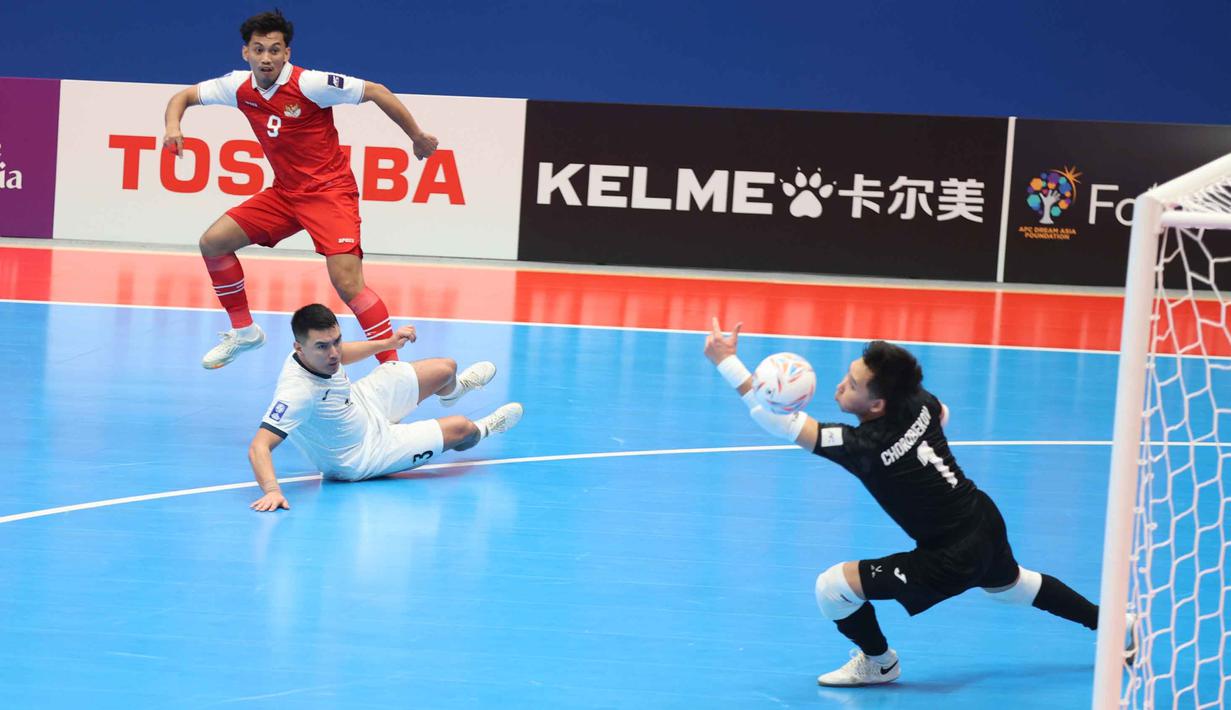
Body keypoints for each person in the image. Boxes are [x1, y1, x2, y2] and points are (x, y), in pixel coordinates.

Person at [704, 318, 1107, 687]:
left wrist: (728, 362)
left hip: (950, 556)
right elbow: (941, 416)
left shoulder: (864, 446)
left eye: (853, 385)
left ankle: (879, 662)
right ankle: (1109, 625)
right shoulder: (918, 400)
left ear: (878, 406)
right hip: (982, 520)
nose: (841, 386)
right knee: (1012, 587)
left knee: (832, 588)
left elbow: (775, 420)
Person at [162, 9, 440, 369]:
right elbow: (182, 97)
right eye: (259, 49)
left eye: (275, 50)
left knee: (348, 284)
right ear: (245, 52)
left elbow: (376, 91)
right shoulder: (238, 86)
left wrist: (417, 137)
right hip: (285, 194)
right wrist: (173, 127)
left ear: (287, 53)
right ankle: (245, 331)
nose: (267, 58)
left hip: (329, 193)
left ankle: (393, 369)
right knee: (213, 243)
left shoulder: (310, 84)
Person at [249, 304, 522, 512]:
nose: (333, 353)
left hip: (360, 403)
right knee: (462, 428)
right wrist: (272, 490)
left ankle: (453, 392)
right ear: (299, 347)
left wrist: (388, 343)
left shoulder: (319, 354)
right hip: (362, 455)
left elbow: (344, 354)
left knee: (445, 368)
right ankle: (486, 428)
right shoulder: (296, 393)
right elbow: (259, 446)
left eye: (336, 341)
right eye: (322, 346)